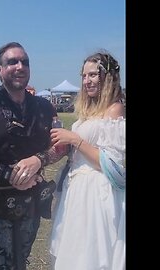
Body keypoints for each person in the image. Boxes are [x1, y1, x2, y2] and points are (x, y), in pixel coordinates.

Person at [0, 42, 66, 269]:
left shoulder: (44, 107)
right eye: (12, 62)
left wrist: (39, 159)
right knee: (0, 263)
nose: (20, 66)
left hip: (32, 198)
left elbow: (61, 146)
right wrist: (10, 174)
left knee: (22, 258)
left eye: (24, 62)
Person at [49, 51, 126, 270]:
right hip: (76, 189)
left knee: (91, 257)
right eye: (84, 76)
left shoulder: (115, 109)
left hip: (97, 194)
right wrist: (65, 145)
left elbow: (112, 166)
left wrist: (75, 139)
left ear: (107, 76)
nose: (86, 81)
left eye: (93, 75)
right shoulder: (90, 109)